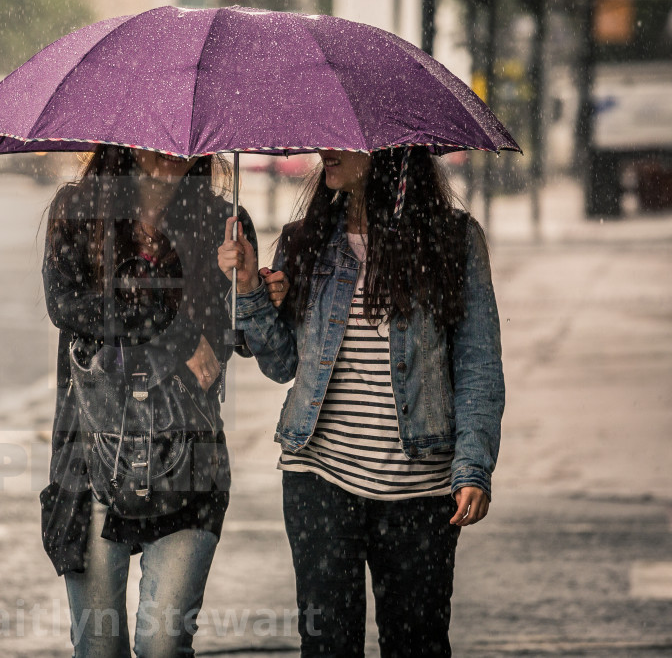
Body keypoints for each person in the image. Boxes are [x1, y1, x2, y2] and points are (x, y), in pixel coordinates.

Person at [216, 146, 504, 656]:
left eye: (344, 139)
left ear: (389, 149)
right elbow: (281, 364)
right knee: (328, 646)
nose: (326, 149)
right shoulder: (305, 240)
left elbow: (478, 363)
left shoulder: (453, 241)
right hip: (319, 480)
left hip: (420, 491)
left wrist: (473, 465)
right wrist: (249, 291)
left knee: (417, 643)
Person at [41, 144, 256, 657]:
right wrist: (176, 332)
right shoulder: (78, 210)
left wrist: (250, 287)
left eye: (181, 137)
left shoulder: (223, 220)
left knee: (164, 646)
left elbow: (233, 342)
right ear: (126, 137)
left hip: (188, 461)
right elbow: (69, 306)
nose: (169, 150)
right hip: (91, 457)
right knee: (99, 648)